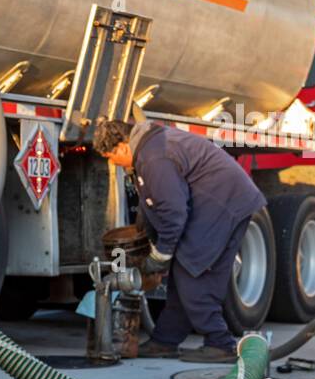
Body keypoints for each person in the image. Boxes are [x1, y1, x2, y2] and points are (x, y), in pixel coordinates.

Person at [93, 119, 266, 363]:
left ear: (122, 146)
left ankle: (220, 343)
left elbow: (173, 213)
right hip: (222, 200)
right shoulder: (149, 147)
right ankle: (166, 340)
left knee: (192, 270)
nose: (112, 162)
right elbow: (152, 203)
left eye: (110, 155)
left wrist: (159, 256)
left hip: (223, 203)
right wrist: (147, 237)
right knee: (182, 271)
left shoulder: (154, 157)